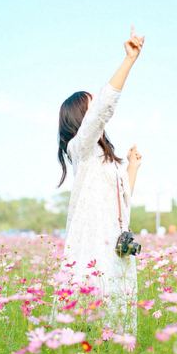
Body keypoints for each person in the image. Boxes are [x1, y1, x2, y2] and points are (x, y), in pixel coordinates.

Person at [52, 25, 145, 335]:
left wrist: (132, 168)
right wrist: (129, 60)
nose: (96, 115)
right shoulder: (80, 149)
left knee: (117, 327)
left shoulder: (105, 159)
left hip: (117, 251)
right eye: (90, 109)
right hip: (93, 250)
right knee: (90, 324)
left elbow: (123, 204)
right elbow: (104, 109)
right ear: (82, 118)